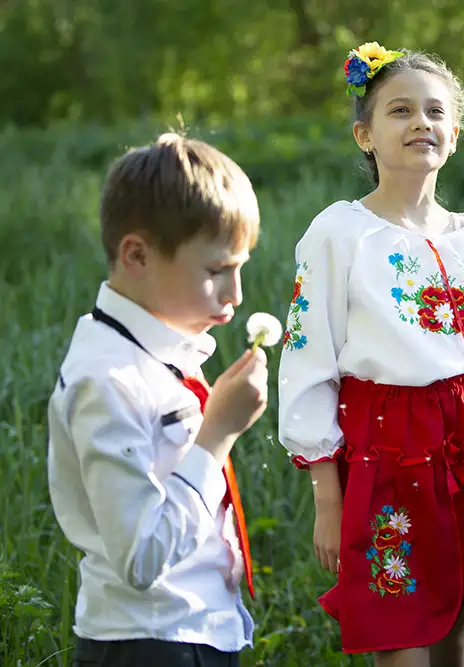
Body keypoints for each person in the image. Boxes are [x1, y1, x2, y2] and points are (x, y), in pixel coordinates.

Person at [276, 42, 464, 667]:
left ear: (454, 134)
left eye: (435, 112)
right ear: (365, 135)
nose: (421, 123)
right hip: (384, 442)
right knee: (397, 628)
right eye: (400, 110)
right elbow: (308, 356)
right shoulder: (338, 233)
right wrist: (327, 497)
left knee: (453, 623)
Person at [47, 133, 269, 667]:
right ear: (137, 255)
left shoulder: (161, 352)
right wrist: (216, 436)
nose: (236, 294)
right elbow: (140, 557)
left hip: (195, 630)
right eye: (216, 271)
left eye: (240, 268)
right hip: (147, 642)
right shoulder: (108, 379)